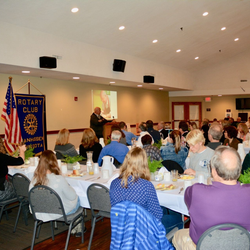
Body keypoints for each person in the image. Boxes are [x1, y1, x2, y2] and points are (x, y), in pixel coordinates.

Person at [173, 146, 250, 250]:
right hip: (240, 245)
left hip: (201, 246)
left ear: (213, 171)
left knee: (177, 235)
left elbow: (187, 198)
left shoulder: (197, 191)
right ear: (239, 169)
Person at [109, 147, 183, 235]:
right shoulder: (146, 185)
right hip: (144, 230)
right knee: (178, 219)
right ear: (144, 164)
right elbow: (157, 215)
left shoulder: (114, 183)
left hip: (122, 227)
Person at [29, 150, 80, 221]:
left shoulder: (34, 179)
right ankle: (78, 224)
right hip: (57, 212)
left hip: (39, 212)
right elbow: (72, 197)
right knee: (77, 198)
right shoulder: (59, 179)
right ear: (54, 162)